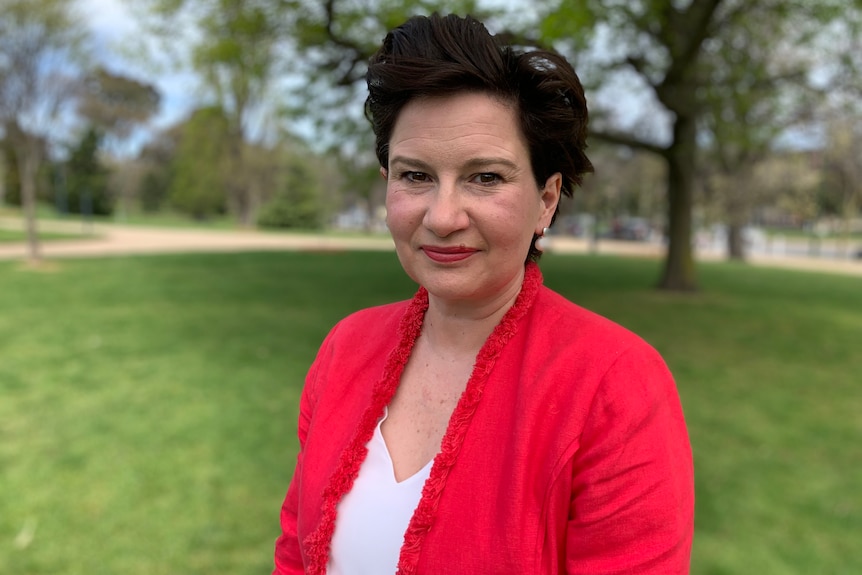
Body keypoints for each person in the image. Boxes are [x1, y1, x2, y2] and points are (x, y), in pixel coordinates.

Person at [273, 13, 694, 575]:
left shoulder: (614, 386)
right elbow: (294, 551)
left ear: (546, 201)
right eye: (415, 175)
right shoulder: (345, 349)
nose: (442, 217)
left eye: (485, 177)